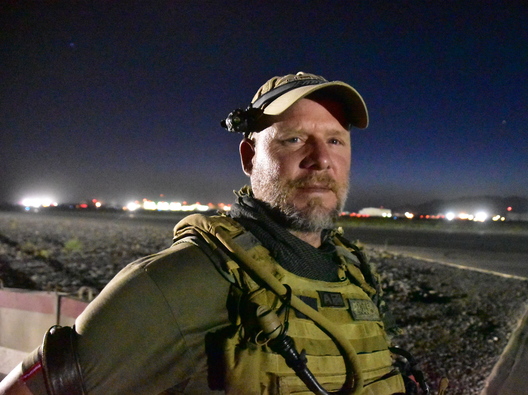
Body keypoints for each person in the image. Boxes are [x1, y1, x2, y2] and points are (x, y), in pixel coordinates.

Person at [0, 72, 413, 394]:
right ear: (250, 157)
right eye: (293, 139)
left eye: (336, 141)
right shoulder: (173, 284)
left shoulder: (353, 274)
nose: (321, 160)